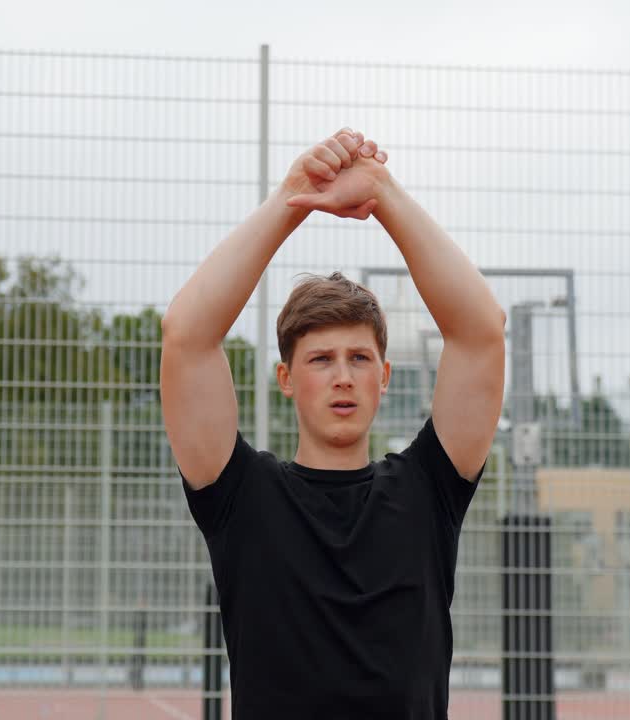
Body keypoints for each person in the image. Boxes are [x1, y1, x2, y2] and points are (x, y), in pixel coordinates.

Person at [160, 128, 506, 719]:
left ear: (385, 376)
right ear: (287, 378)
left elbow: (481, 331)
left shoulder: (429, 488)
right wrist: (291, 199)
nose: (343, 376)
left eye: (359, 359)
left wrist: (384, 193)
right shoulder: (240, 494)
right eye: (321, 360)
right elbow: (187, 337)